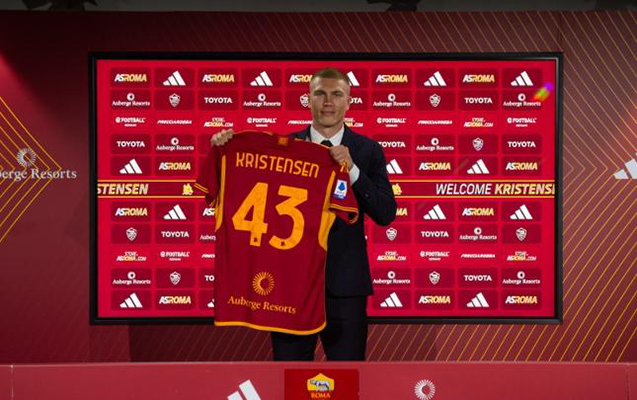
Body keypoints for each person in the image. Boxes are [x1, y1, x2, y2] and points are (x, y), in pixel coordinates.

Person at [209, 67, 396, 361]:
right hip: (289, 287)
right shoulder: (282, 149)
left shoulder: (368, 150)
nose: (328, 102)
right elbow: (241, 188)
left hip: (345, 289)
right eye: (320, 94)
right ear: (307, 99)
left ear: (349, 101)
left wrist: (353, 170)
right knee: (290, 376)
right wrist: (225, 151)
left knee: (348, 378)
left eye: (337, 94)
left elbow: (385, 213)